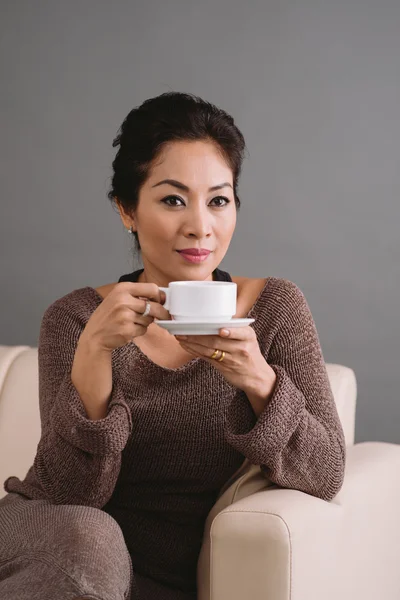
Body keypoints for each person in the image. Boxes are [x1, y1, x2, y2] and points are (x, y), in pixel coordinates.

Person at [0, 92, 346, 600]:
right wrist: (94, 353)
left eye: (219, 200)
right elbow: (66, 496)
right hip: (56, 545)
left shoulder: (275, 310)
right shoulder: (77, 319)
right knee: (90, 539)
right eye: (172, 199)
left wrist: (259, 379)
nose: (200, 226)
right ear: (127, 210)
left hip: (179, 575)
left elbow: (326, 473)